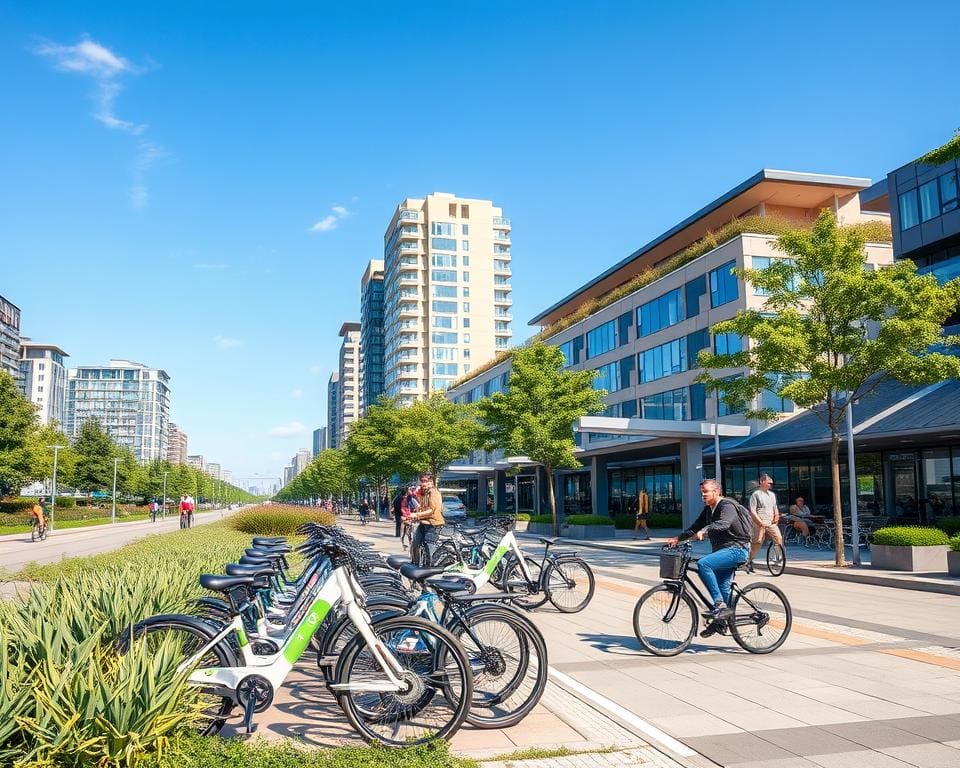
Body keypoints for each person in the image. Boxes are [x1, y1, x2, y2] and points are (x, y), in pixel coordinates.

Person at [666, 479, 751, 626]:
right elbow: (695, 527)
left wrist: (704, 531)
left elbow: (723, 524)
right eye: (702, 493)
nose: (703, 495)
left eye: (706, 492)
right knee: (723, 585)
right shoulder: (708, 509)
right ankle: (723, 622)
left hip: (737, 549)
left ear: (716, 491)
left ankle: (719, 605)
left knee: (704, 564)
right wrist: (677, 539)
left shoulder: (727, 505)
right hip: (723, 551)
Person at [410, 472, 444, 565]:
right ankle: (416, 566)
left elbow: (431, 511)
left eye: (425, 481)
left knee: (429, 548)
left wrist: (417, 515)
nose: (422, 483)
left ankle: (428, 569)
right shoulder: (423, 493)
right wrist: (416, 515)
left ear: (431, 482)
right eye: (421, 481)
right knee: (415, 544)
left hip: (433, 524)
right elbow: (421, 508)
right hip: (424, 523)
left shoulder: (434, 493)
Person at [748, 473, 782, 567]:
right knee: (757, 543)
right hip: (759, 522)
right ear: (761, 482)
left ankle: (777, 558)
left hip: (771, 522)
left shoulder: (772, 495)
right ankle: (749, 560)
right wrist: (759, 522)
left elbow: (775, 507)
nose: (770, 485)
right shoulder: (756, 494)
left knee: (778, 539)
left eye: (771, 483)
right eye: (769, 483)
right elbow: (753, 510)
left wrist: (776, 515)